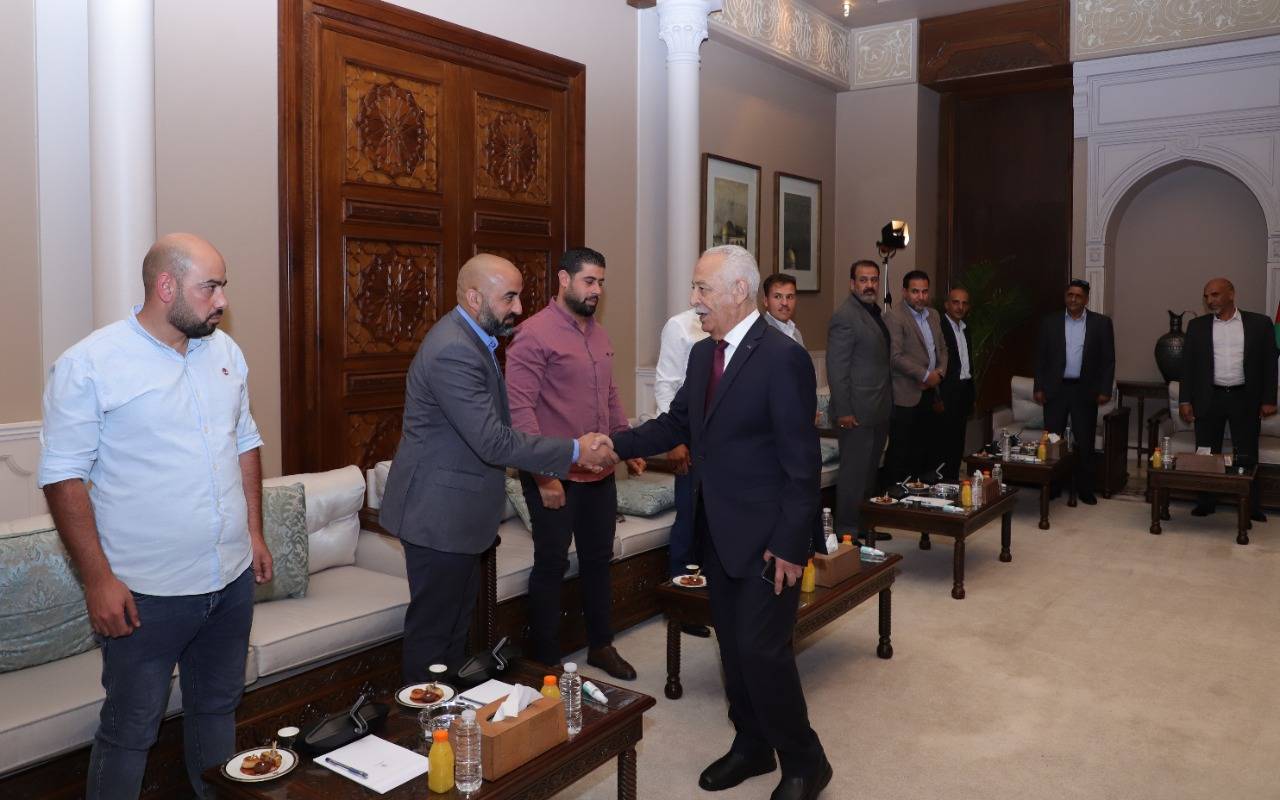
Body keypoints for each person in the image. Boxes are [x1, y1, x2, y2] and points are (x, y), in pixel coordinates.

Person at [37, 234, 272, 799]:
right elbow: (62, 477)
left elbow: (245, 442)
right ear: (166, 287)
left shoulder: (225, 353)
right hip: (147, 595)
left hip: (230, 579)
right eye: (210, 288)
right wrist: (98, 579)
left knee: (217, 709)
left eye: (222, 287)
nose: (222, 301)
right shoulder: (91, 364)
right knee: (130, 732)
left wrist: (254, 533)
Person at [613, 245, 830, 800]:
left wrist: (790, 543)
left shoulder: (782, 358)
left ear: (739, 290)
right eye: (694, 288)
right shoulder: (701, 355)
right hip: (718, 531)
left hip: (768, 539)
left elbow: (802, 464)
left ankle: (805, 762)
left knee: (763, 651)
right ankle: (752, 745)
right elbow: (675, 425)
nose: (694, 299)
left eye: (702, 288)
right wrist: (612, 446)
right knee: (732, 647)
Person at [380, 253, 617, 684]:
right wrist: (573, 451)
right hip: (438, 516)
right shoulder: (454, 350)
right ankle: (421, 720)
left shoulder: (476, 340)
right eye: (509, 297)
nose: (519, 308)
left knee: (454, 633)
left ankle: (448, 714)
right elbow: (493, 440)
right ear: (475, 298)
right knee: (433, 637)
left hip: (459, 515)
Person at [505, 247, 640, 680]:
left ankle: (601, 645)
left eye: (601, 282)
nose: (597, 289)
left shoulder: (599, 335)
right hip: (555, 476)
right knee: (551, 565)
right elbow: (520, 412)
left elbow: (611, 395)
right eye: (589, 281)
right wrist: (544, 477)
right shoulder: (532, 334)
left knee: (599, 561)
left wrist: (627, 443)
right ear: (564, 280)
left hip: (600, 474)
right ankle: (544, 663)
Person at [1178, 277, 1278, 520]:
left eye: (1215, 294)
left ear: (1231, 294)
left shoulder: (1259, 324)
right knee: (1206, 452)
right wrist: (1184, 400)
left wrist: (1269, 399)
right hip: (1209, 397)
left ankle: (1250, 506)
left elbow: (1269, 364)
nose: (1210, 300)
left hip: (1244, 397)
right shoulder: (1197, 326)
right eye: (1206, 296)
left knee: (1247, 453)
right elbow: (1188, 366)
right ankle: (1206, 502)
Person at [654, 306, 711, 638]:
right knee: (688, 521)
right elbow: (666, 385)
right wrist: (673, 439)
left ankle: (708, 595)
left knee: (712, 521)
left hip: (720, 440)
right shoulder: (679, 326)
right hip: (687, 437)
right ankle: (682, 606)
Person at [826, 259, 893, 540]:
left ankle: (865, 526)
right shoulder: (845, 316)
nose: (870, 285)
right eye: (863, 280)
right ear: (852, 284)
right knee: (853, 476)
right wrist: (844, 410)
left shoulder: (874, 312)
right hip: (855, 413)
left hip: (877, 409)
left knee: (868, 474)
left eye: (874, 280)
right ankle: (847, 532)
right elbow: (836, 368)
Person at [1033, 279, 1115, 505]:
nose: (1073, 299)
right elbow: (1040, 358)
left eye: (1078, 296)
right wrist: (1038, 387)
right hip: (1056, 390)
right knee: (1053, 441)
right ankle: (1052, 487)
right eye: (1070, 295)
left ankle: (1085, 489)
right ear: (1065, 297)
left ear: (1086, 299)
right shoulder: (1050, 322)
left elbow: (1108, 360)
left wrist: (1105, 389)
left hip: (1084, 390)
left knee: (1085, 441)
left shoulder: (1101, 323)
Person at [884, 270, 948, 485]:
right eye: (915, 292)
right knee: (901, 452)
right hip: (905, 395)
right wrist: (925, 375)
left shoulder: (934, 315)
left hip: (930, 393)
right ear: (904, 292)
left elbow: (943, 349)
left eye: (924, 292)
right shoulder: (894, 317)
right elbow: (895, 356)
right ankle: (894, 496)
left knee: (925, 450)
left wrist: (939, 373)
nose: (920, 297)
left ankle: (920, 495)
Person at [934, 287, 975, 482]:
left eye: (964, 303)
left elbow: (968, 364)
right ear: (946, 305)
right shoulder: (939, 328)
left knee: (958, 443)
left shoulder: (965, 329)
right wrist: (937, 396)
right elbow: (933, 363)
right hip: (945, 395)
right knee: (943, 444)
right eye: (955, 302)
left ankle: (952, 482)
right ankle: (942, 483)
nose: (960, 307)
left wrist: (971, 396)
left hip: (962, 394)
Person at [763, 272, 804, 346]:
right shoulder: (762, 334)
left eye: (789, 297)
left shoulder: (796, 332)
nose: (785, 303)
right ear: (766, 301)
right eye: (777, 296)